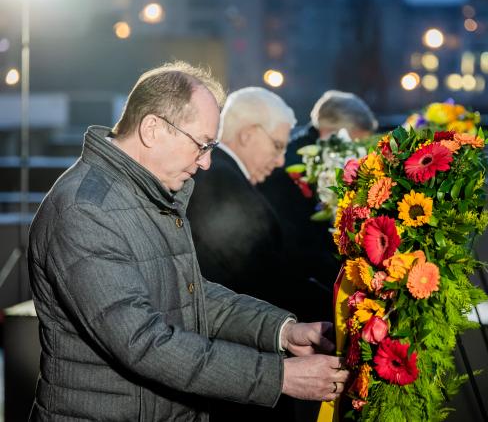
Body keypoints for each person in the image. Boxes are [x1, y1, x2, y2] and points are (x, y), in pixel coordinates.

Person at [27, 62, 349, 421]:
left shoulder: (148, 194)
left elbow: (193, 297)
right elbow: (144, 342)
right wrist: (279, 376)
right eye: (201, 144)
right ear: (152, 129)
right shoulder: (85, 209)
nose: (207, 162)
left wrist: (282, 332)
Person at [188, 86, 327, 421]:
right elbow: (260, 279)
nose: (281, 161)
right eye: (278, 146)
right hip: (239, 367)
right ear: (249, 134)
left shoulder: (224, 177)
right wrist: (336, 315)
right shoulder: (220, 181)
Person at [258, 90, 378, 321]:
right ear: (332, 131)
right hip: (290, 286)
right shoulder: (292, 165)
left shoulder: (302, 151)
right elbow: (301, 240)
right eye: (356, 142)